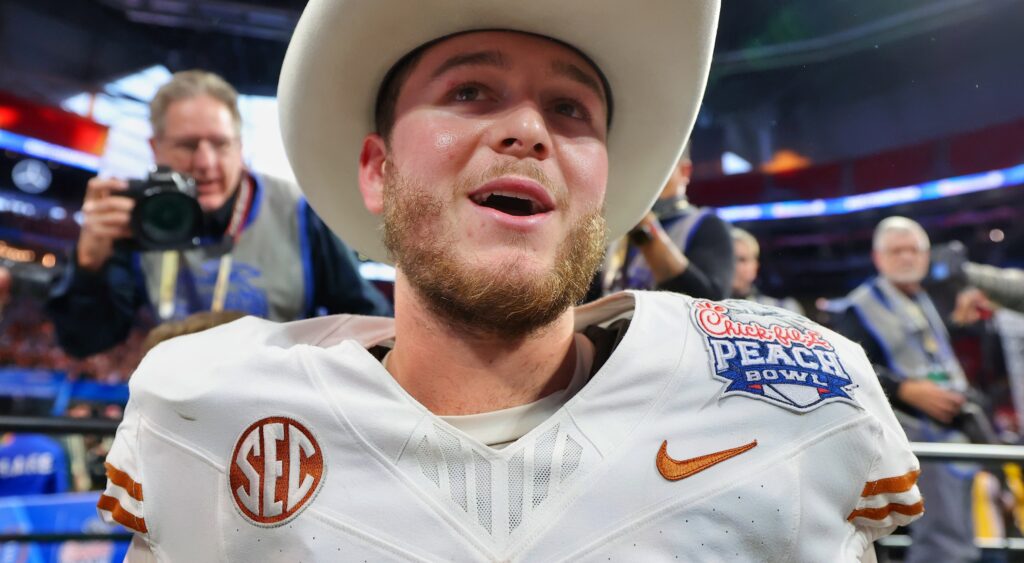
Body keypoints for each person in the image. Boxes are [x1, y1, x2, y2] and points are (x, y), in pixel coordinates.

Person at [98, 1, 921, 560]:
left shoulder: (791, 403)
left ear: (606, 188)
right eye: (470, 91)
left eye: (570, 110)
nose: (527, 129)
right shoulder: (207, 411)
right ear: (378, 171)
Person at [47, 70, 391, 358]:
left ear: (240, 147)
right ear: (155, 148)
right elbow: (86, 342)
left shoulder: (299, 211)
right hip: (181, 407)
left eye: (220, 143)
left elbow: (371, 325)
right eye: (187, 145)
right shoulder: (141, 216)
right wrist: (89, 264)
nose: (205, 163)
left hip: (280, 411)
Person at [835, 216, 979, 563]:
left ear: (927, 256)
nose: (907, 258)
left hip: (953, 430)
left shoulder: (931, 299)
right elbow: (848, 370)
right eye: (897, 251)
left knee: (963, 528)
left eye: (914, 250)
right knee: (938, 538)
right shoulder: (856, 307)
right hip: (906, 436)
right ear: (878, 257)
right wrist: (904, 390)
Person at [597, 145, 734, 300]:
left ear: (684, 171)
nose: (645, 177)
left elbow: (710, 301)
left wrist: (643, 222)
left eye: (659, 168)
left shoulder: (708, 225)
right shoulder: (619, 224)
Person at [730, 227, 804, 314]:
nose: (734, 266)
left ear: (755, 267)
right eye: (729, 259)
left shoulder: (783, 309)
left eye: (742, 259)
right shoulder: (711, 310)